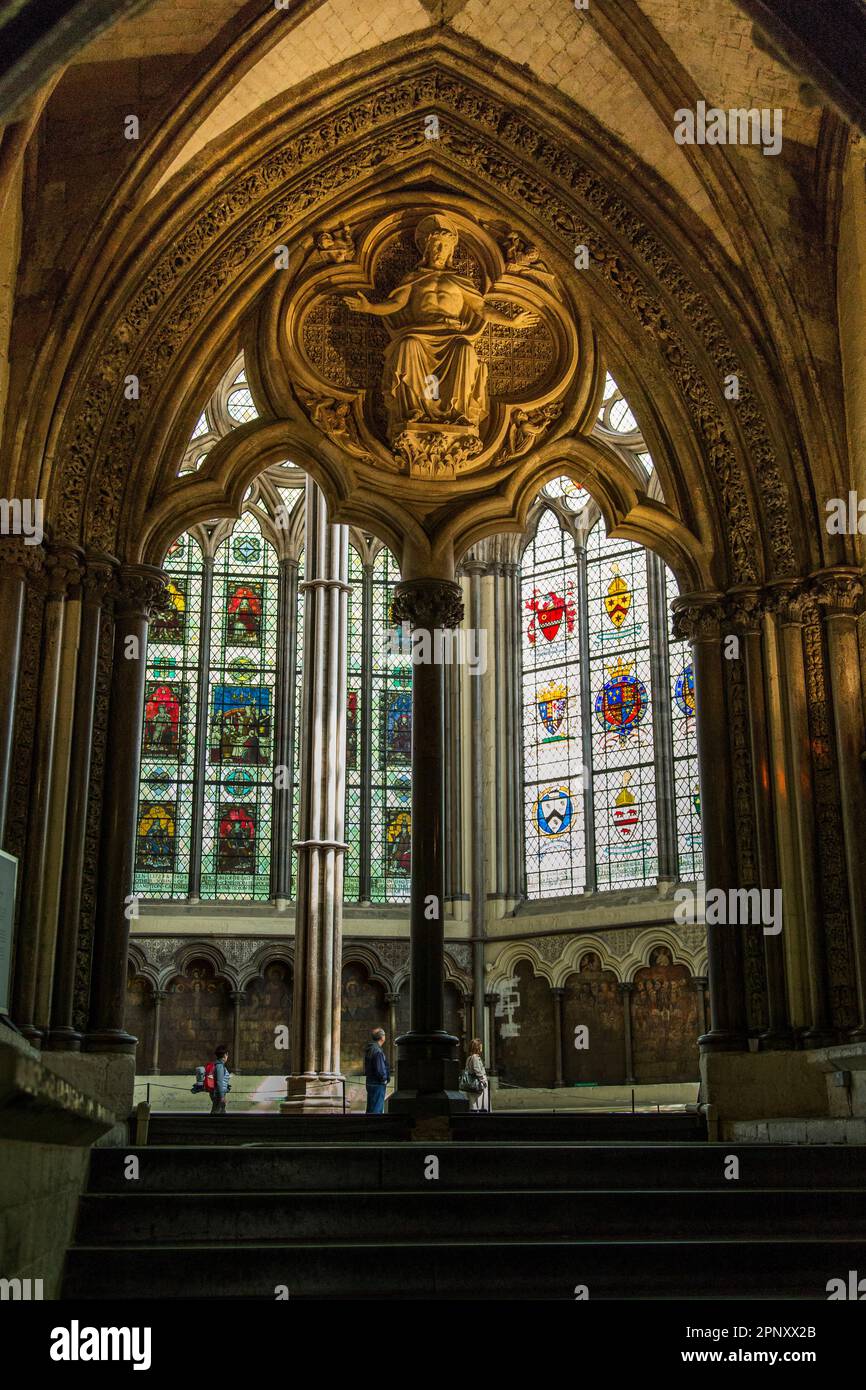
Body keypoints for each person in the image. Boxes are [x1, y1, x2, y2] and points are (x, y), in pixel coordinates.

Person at [363, 1027, 390, 1114]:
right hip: (377, 1083)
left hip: (370, 1081)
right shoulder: (377, 1051)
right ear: (382, 1037)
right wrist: (384, 1079)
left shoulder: (371, 1048)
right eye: (384, 1035)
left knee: (371, 1109)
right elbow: (380, 1069)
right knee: (376, 1110)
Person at [466, 1038, 489, 1112]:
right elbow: (477, 1070)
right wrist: (483, 1080)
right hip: (478, 1083)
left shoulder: (469, 1058)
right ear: (477, 1047)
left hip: (471, 1083)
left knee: (473, 1103)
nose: (482, 1047)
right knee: (480, 1103)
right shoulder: (475, 1057)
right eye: (480, 1046)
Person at [209, 1045, 231, 1115]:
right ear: (225, 1055)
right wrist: (222, 1097)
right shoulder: (220, 1066)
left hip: (218, 1093)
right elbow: (219, 1082)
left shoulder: (218, 1065)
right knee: (216, 1112)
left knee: (221, 1111)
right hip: (218, 1094)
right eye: (227, 1054)